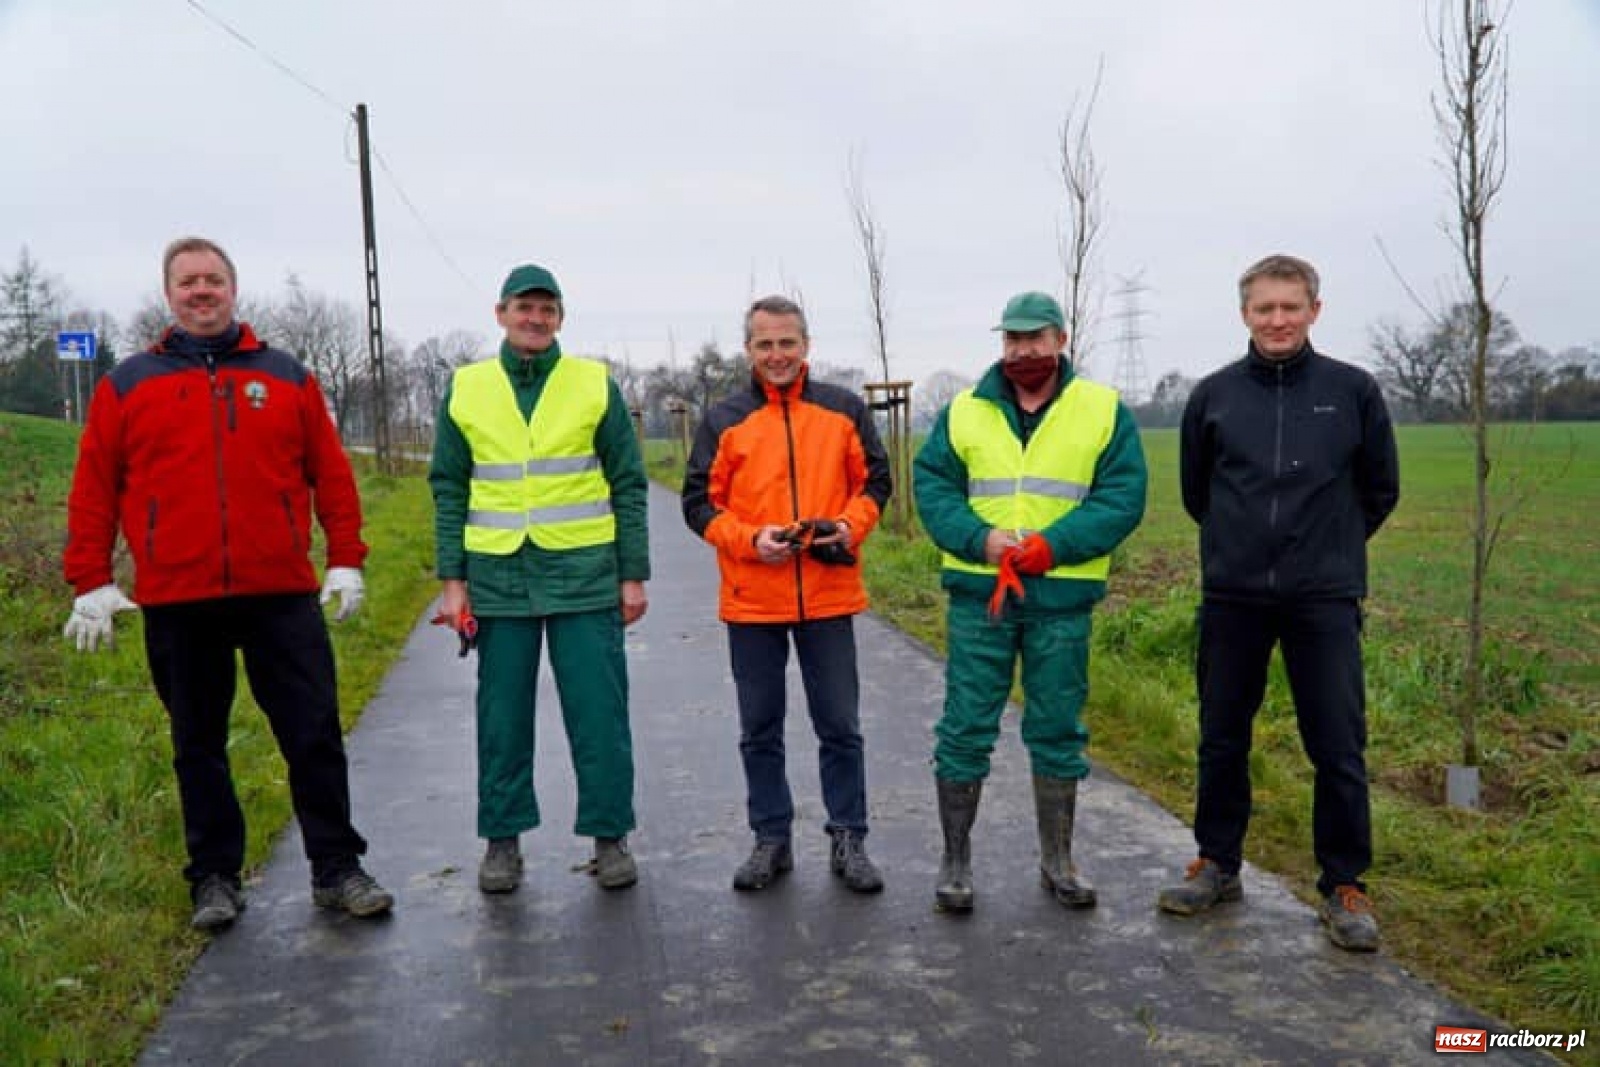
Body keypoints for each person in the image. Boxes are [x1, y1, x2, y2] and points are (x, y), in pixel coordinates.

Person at [62, 236, 393, 932]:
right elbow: (94, 486)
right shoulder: (127, 383)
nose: (201, 290)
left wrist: (346, 556)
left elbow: (329, 473)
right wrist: (88, 577)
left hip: (280, 593)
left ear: (233, 289)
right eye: (188, 282)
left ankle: (336, 866)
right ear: (169, 293)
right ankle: (214, 875)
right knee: (198, 743)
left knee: (312, 733)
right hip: (179, 599)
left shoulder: (286, 376)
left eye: (213, 279)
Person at [1157, 254, 1399, 953]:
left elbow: (1378, 490)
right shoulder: (1214, 396)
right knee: (1222, 734)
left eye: (1291, 306)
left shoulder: (1353, 391)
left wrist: (1326, 551)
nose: (1278, 319)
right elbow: (1198, 494)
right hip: (1233, 596)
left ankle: (1344, 883)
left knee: (1337, 743)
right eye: (1265, 308)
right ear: (1245, 314)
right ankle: (1218, 863)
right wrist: (1243, 552)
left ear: (1315, 310)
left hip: (1323, 598)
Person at [913, 291, 1146, 913]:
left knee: (1057, 730)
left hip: (1061, 599)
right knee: (964, 727)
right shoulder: (963, 410)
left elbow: (1122, 497)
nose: (1024, 350)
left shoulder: (1102, 410)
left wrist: (1054, 547)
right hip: (979, 596)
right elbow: (932, 485)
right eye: (1013, 340)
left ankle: (1059, 861)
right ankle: (955, 860)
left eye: (1035, 338)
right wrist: (979, 540)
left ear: (1061, 340)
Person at [429, 263, 649, 895]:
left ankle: (610, 837)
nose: (535, 318)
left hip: (584, 574)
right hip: (498, 577)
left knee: (599, 712)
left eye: (547, 309)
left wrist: (632, 575)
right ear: (501, 313)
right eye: (524, 307)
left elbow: (629, 483)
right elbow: (448, 487)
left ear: (559, 318)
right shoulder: (466, 388)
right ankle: (502, 840)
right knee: (502, 716)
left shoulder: (593, 384)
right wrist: (453, 583)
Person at [681, 295, 892, 894]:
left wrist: (849, 527)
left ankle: (849, 836)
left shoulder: (844, 409)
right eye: (765, 344)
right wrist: (751, 540)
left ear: (806, 345)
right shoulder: (723, 419)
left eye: (787, 343)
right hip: (753, 598)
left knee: (840, 726)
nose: (777, 355)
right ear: (748, 350)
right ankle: (770, 838)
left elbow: (876, 481)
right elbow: (698, 503)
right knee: (760, 728)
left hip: (828, 595)